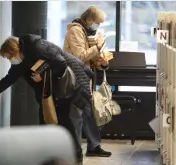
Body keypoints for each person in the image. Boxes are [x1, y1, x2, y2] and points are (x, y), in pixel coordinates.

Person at [0, 34, 94, 165]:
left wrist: (42, 75)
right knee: (45, 122)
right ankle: (49, 157)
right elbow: (10, 77)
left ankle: (76, 157)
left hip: (63, 89)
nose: (9, 60)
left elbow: (60, 63)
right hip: (47, 93)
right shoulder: (20, 61)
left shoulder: (37, 47)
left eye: (9, 57)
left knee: (65, 123)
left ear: (15, 51)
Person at [63, 6, 111, 157]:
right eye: (97, 23)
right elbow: (80, 56)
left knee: (90, 115)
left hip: (85, 80)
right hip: (75, 80)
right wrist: (97, 47)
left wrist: (102, 61)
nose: (98, 26)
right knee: (76, 116)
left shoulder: (86, 32)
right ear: (89, 20)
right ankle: (76, 149)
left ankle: (94, 146)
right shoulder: (75, 31)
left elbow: (90, 59)